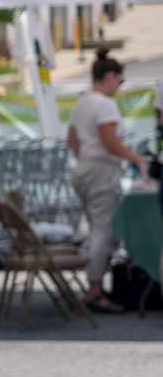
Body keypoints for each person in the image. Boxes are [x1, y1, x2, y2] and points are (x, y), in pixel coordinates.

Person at [67, 53, 144, 312]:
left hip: (85, 168)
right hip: (100, 170)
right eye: (120, 81)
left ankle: (95, 285)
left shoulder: (82, 101)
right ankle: (94, 289)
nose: (119, 87)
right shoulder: (104, 104)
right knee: (105, 232)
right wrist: (136, 159)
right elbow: (111, 142)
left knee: (99, 230)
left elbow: (72, 140)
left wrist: (88, 156)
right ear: (111, 76)